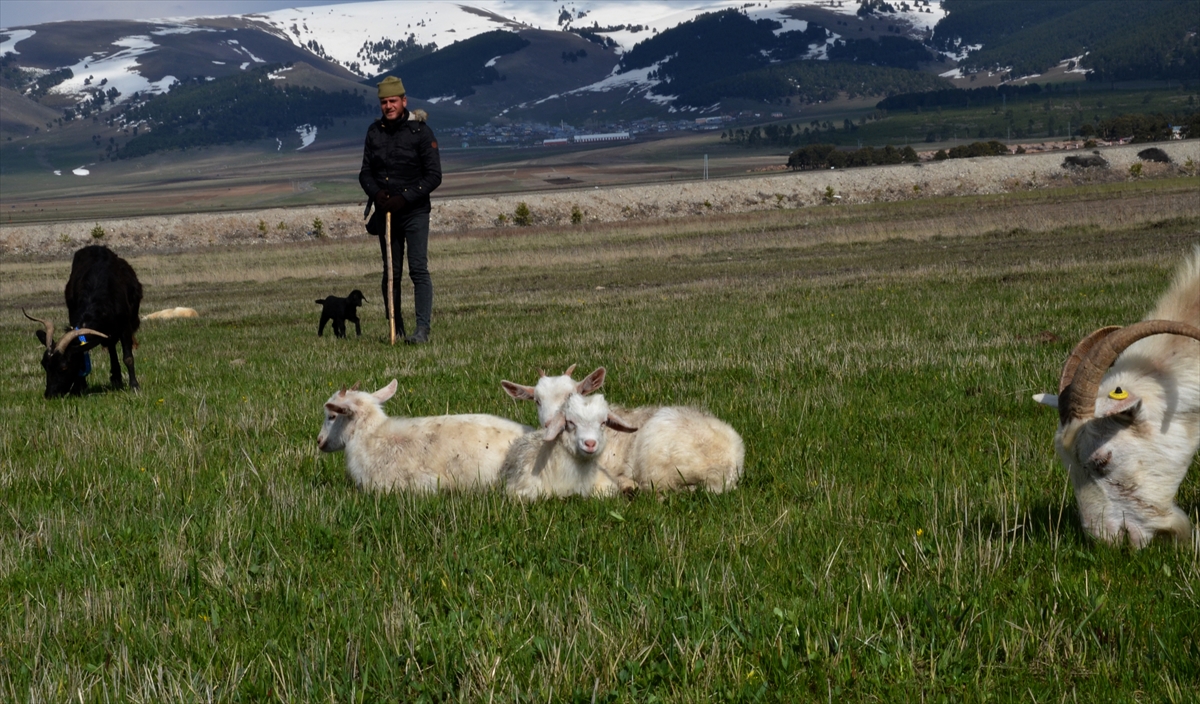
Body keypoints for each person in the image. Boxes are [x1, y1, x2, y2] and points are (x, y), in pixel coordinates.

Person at [359, 75, 441, 344]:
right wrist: (377, 194)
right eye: (384, 102)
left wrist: (404, 198)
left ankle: (422, 331)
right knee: (391, 272)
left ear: (404, 101)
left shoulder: (421, 132)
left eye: (392, 101)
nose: (388, 106)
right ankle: (397, 328)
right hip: (386, 212)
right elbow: (365, 173)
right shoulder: (375, 132)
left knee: (418, 269)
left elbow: (433, 176)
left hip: (415, 211)